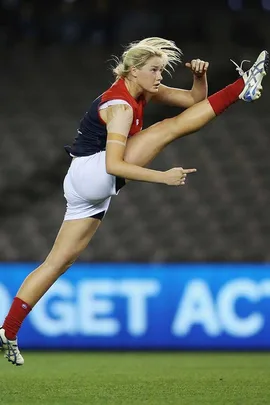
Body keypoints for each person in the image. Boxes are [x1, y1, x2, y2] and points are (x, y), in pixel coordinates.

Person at [0, 37, 268, 365]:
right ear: (133, 71)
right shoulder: (121, 107)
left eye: (161, 70)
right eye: (154, 70)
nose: (159, 76)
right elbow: (114, 165)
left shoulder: (143, 89)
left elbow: (195, 101)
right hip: (93, 171)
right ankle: (243, 85)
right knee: (167, 129)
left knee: (57, 263)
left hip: (83, 181)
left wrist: (199, 78)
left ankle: (8, 329)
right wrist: (162, 176)